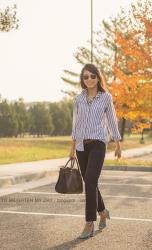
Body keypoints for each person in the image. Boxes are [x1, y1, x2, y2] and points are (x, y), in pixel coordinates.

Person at [69, 63, 122, 239]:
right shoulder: (77, 99)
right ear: (82, 80)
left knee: (90, 181)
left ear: (98, 77)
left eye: (92, 76)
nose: (89, 79)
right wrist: (72, 148)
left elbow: (112, 120)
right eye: (86, 77)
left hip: (98, 144)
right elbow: (75, 124)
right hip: (81, 147)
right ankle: (103, 211)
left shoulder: (106, 97)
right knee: (90, 183)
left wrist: (118, 143)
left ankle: (89, 223)